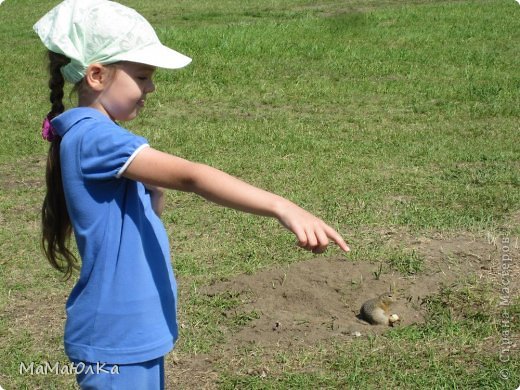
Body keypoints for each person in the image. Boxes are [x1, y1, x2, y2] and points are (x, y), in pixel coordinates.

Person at [34, 0, 350, 388]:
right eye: (143, 75)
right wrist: (282, 207)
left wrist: (153, 187)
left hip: (130, 336)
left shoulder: (96, 136)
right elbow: (193, 177)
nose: (151, 86)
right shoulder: (93, 136)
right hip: (115, 340)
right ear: (97, 75)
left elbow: (153, 205)